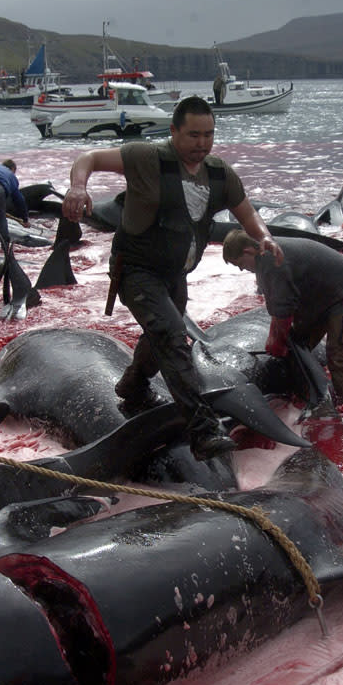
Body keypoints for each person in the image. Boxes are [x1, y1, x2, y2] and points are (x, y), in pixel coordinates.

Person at [62, 96, 284, 461]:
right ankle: (202, 429)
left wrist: (264, 238)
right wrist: (77, 187)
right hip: (136, 269)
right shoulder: (146, 158)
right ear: (173, 132)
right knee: (170, 333)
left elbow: (247, 213)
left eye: (208, 135)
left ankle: (133, 386)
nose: (201, 143)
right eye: (193, 135)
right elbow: (88, 159)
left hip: (176, 272)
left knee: (161, 332)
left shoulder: (218, 174)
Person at [222, 229, 343, 418]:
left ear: (249, 251)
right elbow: (274, 300)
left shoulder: (271, 259)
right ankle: (319, 395)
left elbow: (283, 310)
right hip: (319, 296)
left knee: (337, 355)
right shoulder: (264, 256)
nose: (242, 269)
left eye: (240, 264)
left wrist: (276, 340)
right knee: (298, 344)